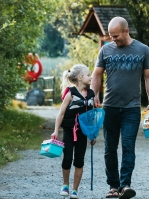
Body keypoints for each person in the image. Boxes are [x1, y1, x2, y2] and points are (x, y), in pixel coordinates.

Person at [92, 17, 149, 199]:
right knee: (110, 148)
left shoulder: (143, 50)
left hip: (131, 108)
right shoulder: (105, 50)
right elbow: (97, 74)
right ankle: (113, 186)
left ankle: (125, 185)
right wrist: (94, 95)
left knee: (128, 147)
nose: (113, 39)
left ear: (127, 31)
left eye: (116, 36)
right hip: (110, 107)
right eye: (111, 36)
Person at [51, 64, 96, 199]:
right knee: (68, 157)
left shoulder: (91, 94)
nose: (91, 77)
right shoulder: (70, 93)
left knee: (79, 160)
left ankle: (75, 190)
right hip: (69, 130)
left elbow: (92, 116)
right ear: (80, 77)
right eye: (88, 75)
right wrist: (55, 131)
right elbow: (61, 113)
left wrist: (92, 134)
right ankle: (65, 185)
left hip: (83, 131)